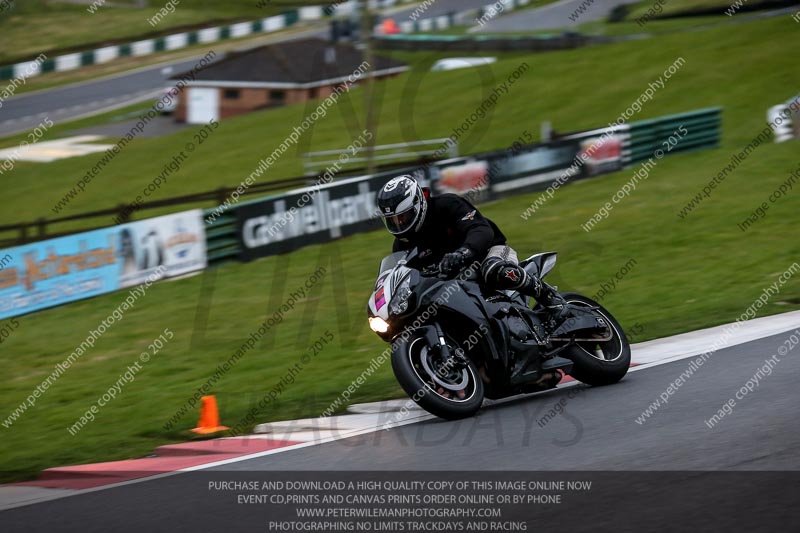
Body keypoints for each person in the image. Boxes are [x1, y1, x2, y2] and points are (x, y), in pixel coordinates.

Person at [376, 175, 573, 325]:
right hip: (455, 282)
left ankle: (549, 297)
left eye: (403, 216)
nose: (399, 223)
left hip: (489, 253)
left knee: (494, 270)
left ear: (418, 204)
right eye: (393, 220)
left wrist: (464, 252)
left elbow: (480, 229)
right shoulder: (402, 245)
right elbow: (406, 276)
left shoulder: (446, 205)